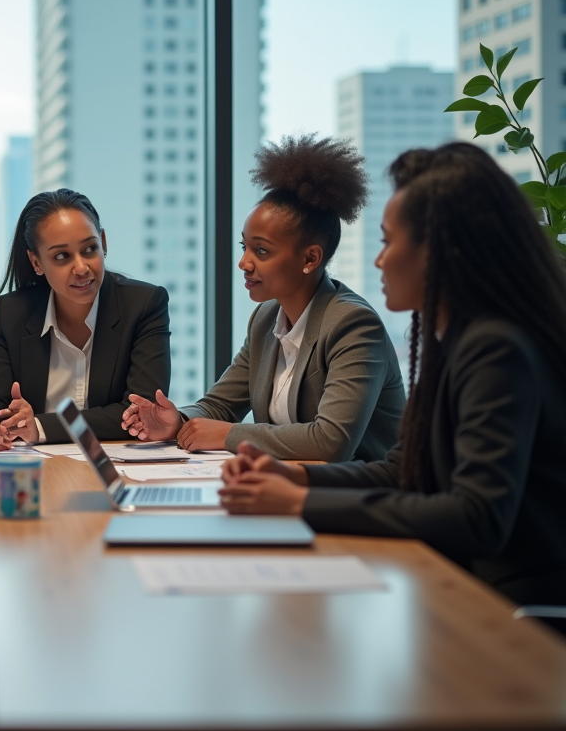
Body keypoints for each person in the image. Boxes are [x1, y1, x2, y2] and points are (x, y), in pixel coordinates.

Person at [219, 142, 566, 606]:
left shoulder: (495, 348)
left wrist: (299, 504)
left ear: (442, 252)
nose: (379, 260)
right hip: (456, 586)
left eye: (387, 242)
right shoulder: (455, 340)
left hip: (513, 608)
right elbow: (403, 469)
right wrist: (292, 479)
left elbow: (477, 516)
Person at [121, 135, 405, 462]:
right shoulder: (267, 317)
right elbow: (221, 405)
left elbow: (332, 441)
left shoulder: (352, 325)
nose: (244, 263)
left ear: (310, 259)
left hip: (359, 497)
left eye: (262, 250)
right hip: (291, 487)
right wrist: (177, 420)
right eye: (245, 247)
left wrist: (228, 435)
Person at [0, 188, 170, 450]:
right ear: (36, 262)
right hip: (35, 471)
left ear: (103, 243)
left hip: (114, 471)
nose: (81, 268)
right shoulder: (11, 312)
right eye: (62, 256)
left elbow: (140, 412)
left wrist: (39, 426)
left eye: (90, 249)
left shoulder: (144, 305)